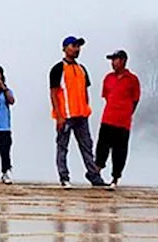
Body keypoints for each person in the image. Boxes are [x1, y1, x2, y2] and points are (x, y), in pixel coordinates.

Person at [50, 36, 108, 189]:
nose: (77, 49)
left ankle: (94, 175)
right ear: (64, 48)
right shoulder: (58, 69)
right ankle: (64, 177)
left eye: (78, 46)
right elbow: (54, 93)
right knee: (63, 146)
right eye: (73, 46)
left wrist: (86, 107)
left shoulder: (82, 69)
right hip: (66, 115)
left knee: (87, 145)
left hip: (82, 115)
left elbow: (85, 90)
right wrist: (59, 116)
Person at [95, 49, 141, 191]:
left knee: (119, 151)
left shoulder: (132, 79)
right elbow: (106, 96)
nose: (112, 63)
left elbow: (135, 100)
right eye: (112, 60)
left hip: (123, 122)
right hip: (108, 118)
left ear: (123, 60)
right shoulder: (108, 78)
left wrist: (126, 112)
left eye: (115, 60)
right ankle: (96, 172)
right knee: (102, 147)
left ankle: (115, 178)